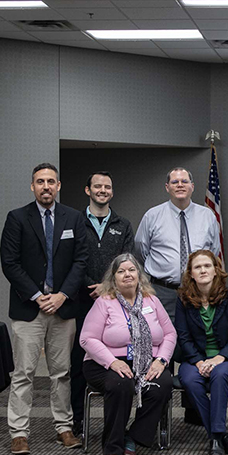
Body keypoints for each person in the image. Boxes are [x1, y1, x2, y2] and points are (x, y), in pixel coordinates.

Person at [0, 163, 88, 455]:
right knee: (23, 373)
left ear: (59, 185)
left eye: (51, 181)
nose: (46, 186)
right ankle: (19, 433)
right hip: (29, 309)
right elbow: (10, 263)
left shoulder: (74, 218)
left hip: (63, 309)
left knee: (61, 372)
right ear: (32, 186)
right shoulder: (17, 218)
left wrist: (62, 295)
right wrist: (38, 295)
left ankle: (64, 428)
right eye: (40, 181)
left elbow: (80, 261)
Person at [79, 254, 175, 455]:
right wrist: (111, 362)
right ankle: (112, 445)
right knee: (121, 383)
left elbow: (170, 334)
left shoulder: (152, 301)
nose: (127, 275)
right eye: (121, 271)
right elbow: (87, 339)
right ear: (113, 279)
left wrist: (161, 360)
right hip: (104, 363)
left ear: (139, 276)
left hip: (147, 361)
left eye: (131, 270)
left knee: (163, 384)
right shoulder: (104, 303)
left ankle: (132, 437)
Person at [72, 171, 134, 436]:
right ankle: (78, 421)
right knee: (78, 362)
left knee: (117, 355)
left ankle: (120, 422)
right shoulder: (74, 222)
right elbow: (71, 260)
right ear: (88, 190)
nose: (102, 190)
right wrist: (92, 285)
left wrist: (107, 287)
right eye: (97, 186)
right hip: (80, 301)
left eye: (107, 187)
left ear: (112, 191)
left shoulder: (124, 224)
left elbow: (127, 262)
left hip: (115, 303)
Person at [175, 250, 228, 455]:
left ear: (216, 271)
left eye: (207, 266)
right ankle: (219, 436)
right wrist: (198, 361)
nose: (203, 270)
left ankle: (215, 438)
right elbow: (183, 336)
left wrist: (219, 358)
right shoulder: (183, 299)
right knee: (188, 379)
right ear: (191, 274)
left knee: (219, 374)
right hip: (195, 359)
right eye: (197, 267)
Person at [134, 167, 220, 319]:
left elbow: (213, 251)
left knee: (198, 334)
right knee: (164, 337)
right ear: (167, 187)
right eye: (175, 182)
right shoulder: (152, 216)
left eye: (184, 181)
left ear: (192, 186)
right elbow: (141, 250)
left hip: (199, 289)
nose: (180, 185)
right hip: (162, 290)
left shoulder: (207, 216)